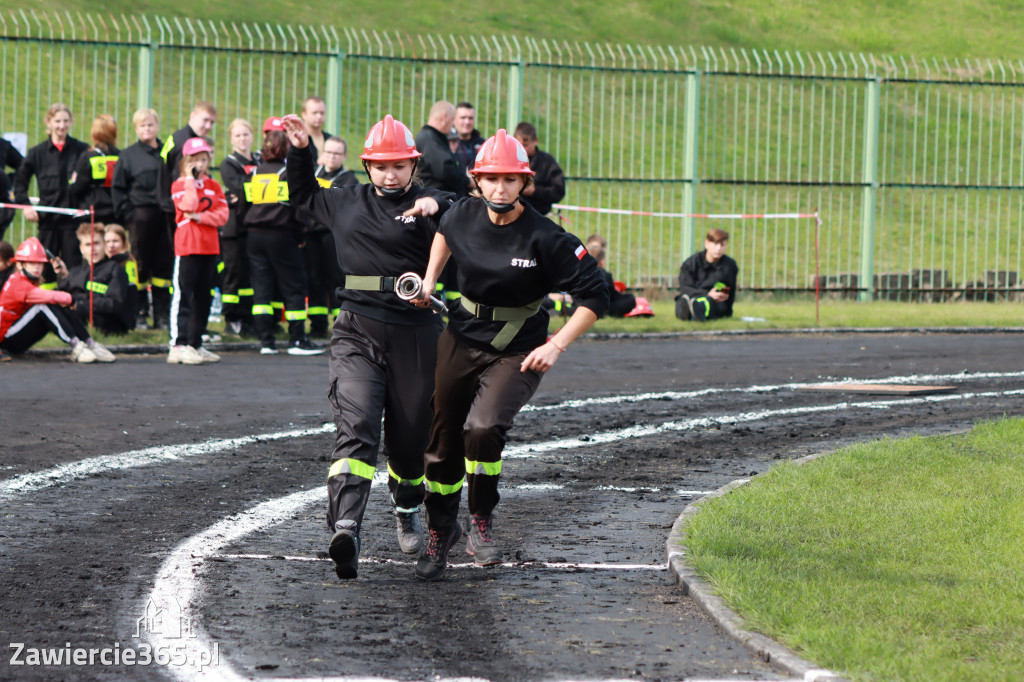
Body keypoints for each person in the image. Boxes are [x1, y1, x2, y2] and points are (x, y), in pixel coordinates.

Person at [412, 129, 608, 581]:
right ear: (476, 181)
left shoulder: (546, 237)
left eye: (510, 180)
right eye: (491, 179)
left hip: (519, 350)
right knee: (442, 442)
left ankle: (481, 517)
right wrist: (428, 279)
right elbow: (443, 231)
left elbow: (596, 296)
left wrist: (555, 344)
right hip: (460, 339)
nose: (500, 188)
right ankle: (442, 528)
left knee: (482, 429)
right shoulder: (461, 214)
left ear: (525, 183)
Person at [283, 111, 456, 580]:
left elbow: (461, 208)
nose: (389, 173)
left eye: (399, 165)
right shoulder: (345, 200)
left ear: (413, 165)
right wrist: (301, 152)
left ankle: (406, 506)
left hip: (417, 334)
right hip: (357, 329)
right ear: (367, 166)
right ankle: (346, 528)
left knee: (409, 440)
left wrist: (435, 207)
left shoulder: (430, 203)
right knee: (357, 425)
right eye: (380, 165)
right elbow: (300, 194)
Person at [242, 117, 322, 356]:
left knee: (262, 287)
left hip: (254, 236)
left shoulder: (255, 172)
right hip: (281, 234)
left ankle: (266, 341)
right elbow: (296, 207)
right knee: (294, 285)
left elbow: (245, 204)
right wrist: (301, 235)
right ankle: (297, 339)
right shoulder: (287, 173)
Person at [0, 236, 115, 363]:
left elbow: (54, 298)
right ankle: (77, 346)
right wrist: (71, 299)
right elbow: (49, 297)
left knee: (57, 303)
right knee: (43, 306)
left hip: (15, 333)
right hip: (7, 338)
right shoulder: (18, 282)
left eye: (40, 263)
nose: (37, 267)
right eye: (32, 263)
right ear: (21, 265)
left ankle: (90, 343)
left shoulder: (27, 280)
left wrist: (65, 289)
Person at [167, 137, 228, 365]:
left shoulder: (214, 185)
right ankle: (178, 344)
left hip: (210, 247)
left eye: (204, 159)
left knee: (204, 296)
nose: (201, 165)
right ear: (186, 162)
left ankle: (195, 343)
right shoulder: (179, 184)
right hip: (188, 246)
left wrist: (201, 217)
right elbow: (188, 206)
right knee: (184, 295)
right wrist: (190, 180)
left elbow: (223, 215)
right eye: (195, 160)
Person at [112, 107, 173, 330]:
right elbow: (118, 189)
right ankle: (139, 313)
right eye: (142, 125)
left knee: (163, 267)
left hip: (165, 216)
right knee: (140, 266)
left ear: (157, 126)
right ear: (136, 129)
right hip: (140, 217)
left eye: (150, 124)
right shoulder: (128, 156)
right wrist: (129, 216)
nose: (147, 129)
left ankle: (162, 316)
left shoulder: (167, 152)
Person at [12, 104, 90, 273]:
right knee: (45, 268)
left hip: (73, 222)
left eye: (65, 121)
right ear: (48, 122)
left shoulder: (82, 150)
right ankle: (45, 299)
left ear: (71, 122)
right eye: (57, 121)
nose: (61, 126)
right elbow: (20, 180)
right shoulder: (37, 153)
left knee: (74, 268)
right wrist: (25, 205)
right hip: (48, 222)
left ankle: (72, 298)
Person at [304, 135, 356, 338]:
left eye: (337, 153)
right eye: (329, 152)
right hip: (311, 235)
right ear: (322, 154)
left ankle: (341, 325)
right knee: (314, 279)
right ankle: (317, 326)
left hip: (333, 236)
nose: (332, 157)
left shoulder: (348, 179)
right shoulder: (313, 174)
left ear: (343, 156)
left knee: (336, 280)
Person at [218, 118, 261, 337]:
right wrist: (255, 190)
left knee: (252, 275)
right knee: (234, 274)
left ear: (252, 135)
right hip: (234, 229)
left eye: (246, 134)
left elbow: (248, 191)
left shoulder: (260, 159)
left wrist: (246, 193)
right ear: (231, 139)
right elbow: (240, 188)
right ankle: (231, 318)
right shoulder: (228, 163)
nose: (243, 139)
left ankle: (248, 317)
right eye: (237, 135)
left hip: (255, 227)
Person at [55, 223, 135, 336]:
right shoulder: (75, 272)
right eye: (88, 245)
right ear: (81, 249)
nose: (93, 249)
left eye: (96, 243)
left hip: (105, 322)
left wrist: (81, 304)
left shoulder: (115, 269)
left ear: (104, 245)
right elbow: (59, 294)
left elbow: (113, 304)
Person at [675, 228, 738, 321]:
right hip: (693, 296)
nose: (718, 248)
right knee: (682, 300)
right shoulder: (691, 263)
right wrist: (706, 294)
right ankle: (689, 311)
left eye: (722, 245)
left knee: (710, 302)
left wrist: (727, 311)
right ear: (707, 244)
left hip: (715, 301)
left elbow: (730, 291)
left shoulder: (729, 266)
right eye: (715, 244)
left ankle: (697, 311)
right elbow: (685, 287)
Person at [69, 115, 120, 225]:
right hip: (116, 214)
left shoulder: (89, 157)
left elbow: (76, 188)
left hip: (93, 215)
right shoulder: (121, 156)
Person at [415, 100, 469, 197]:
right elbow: (444, 169)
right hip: (437, 198)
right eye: (452, 119)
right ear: (444, 117)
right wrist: (467, 181)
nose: (453, 124)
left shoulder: (433, 137)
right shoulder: (428, 138)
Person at [513, 122, 566, 216]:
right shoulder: (509, 159)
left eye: (525, 145)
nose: (522, 149)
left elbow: (559, 191)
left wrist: (534, 191)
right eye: (518, 145)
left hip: (538, 216)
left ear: (535, 141)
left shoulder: (547, 162)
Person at [453, 102, 485, 173]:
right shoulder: (447, 144)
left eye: (470, 118)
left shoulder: (483, 144)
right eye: (463, 118)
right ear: (454, 120)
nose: (467, 122)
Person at [300, 96, 333, 164]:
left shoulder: (330, 139)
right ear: (304, 114)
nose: (319, 117)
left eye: (322, 113)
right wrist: (318, 164)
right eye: (314, 113)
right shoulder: (298, 139)